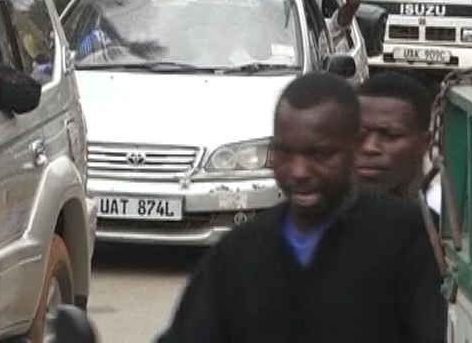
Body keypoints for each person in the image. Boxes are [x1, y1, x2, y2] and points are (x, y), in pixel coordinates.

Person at [158, 74, 446, 342]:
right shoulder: (241, 250)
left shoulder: (412, 239)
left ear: (351, 148)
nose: (298, 171)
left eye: (318, 154)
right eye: (284, 152)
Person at [356, 72, 438, 213]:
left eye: (391, 136)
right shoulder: (322, 216)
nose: (369, 147)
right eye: (358, 135)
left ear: (425, 143)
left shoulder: (447, 217)